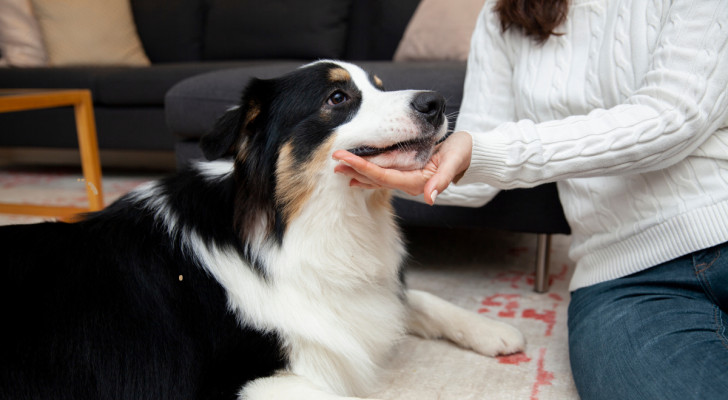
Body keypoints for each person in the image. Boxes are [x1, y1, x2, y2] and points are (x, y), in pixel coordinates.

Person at [333, 0, 728, 399]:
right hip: (624, 273)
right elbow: (479, 166)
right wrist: (412, 172)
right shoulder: (502, 12)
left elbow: (676, 116)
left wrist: (485, 151)